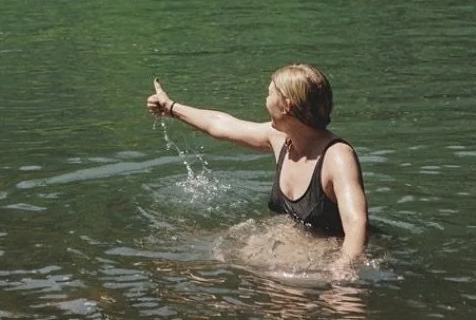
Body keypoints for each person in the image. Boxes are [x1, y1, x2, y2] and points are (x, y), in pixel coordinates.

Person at [147, 63, 368, 267]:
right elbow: (220, 124)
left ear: (286, 105)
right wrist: (171, 107)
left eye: (269, 93)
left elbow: (356, 224)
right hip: (296, 249)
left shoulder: (337, 157)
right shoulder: (281, 138)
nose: (265, 100)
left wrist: (343, 278)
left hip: (327, 257)